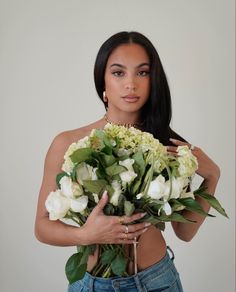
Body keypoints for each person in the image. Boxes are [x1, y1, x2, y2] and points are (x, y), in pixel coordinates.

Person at [35, 31, 221, 292]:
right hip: (92, 286)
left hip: (158, 282)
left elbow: (184, 232)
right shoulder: (69, 143)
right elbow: (42, 226)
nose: (131, 84)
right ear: (103, 81)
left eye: (142, 72)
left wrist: (212, 176)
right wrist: (85, 235)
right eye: (118, 73)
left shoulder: (166, 144)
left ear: (153, 81)